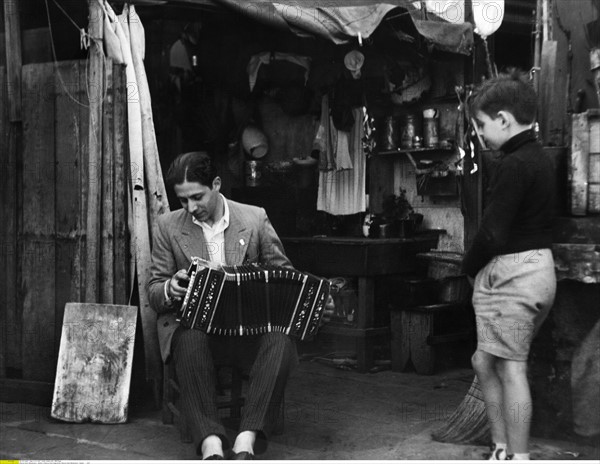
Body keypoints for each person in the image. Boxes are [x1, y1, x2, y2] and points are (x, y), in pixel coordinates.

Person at [147, 151, 297, 460]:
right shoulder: (167, 226)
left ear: (216, 184)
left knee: (281, 342)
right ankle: (210, 442)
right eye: (183, 200)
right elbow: (153, 290)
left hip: (247, 330)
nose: (190, 208)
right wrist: (169, 288)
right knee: (188, 340)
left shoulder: (254, 218)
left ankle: (246, 439)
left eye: (197, 198)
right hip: (198, 331)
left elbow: (286, 277)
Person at [461, 71, 557, 461]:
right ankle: (502, 448)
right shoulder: (540, 158)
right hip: (539, 270)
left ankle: (518, 457)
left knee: (512, 368)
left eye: (482, 125)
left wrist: (468, 267)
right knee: (484, 360)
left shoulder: (514, 164)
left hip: (516, 274)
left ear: (503, 119)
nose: (481, 135)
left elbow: (492, 234)